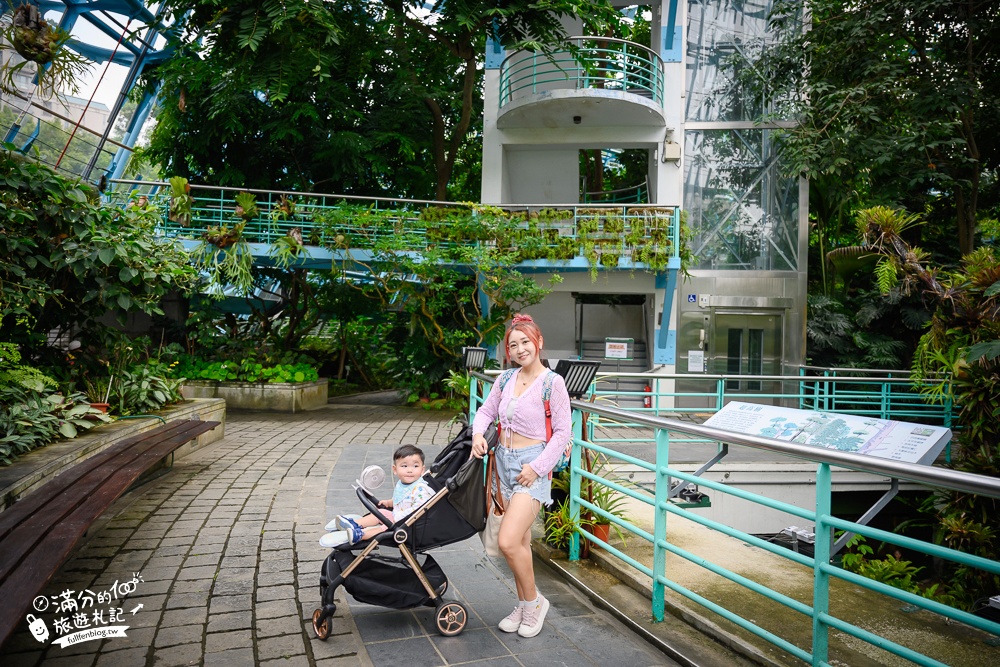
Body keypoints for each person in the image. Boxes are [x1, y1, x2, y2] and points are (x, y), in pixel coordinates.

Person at [471, 313, 571, 638]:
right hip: (503, 464)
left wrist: (537, 467)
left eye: (525, 341)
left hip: (532, 467)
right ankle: (525, 604)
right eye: (513, 345)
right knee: (522, 543)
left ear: (538, 342)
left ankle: (534, 602)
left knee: (507, 541)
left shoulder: (553, 383)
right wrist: (477, 434)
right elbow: (486, 411)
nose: (519, 348)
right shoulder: (504, 379)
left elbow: (562, 433)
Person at [319, 445, 435, 547]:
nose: (410, 470)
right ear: (395, 469)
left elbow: (418, 509)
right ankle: (355, 524)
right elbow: (404, 499)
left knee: (383, 529)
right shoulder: (405, 484)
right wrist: (390, 503)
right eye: (404, 466)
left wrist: (399, 519)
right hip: (399, 518)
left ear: (422, 470)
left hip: (409, 525)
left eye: (415, 466)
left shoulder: (421, 489)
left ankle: (360, 535)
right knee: (381, 512)